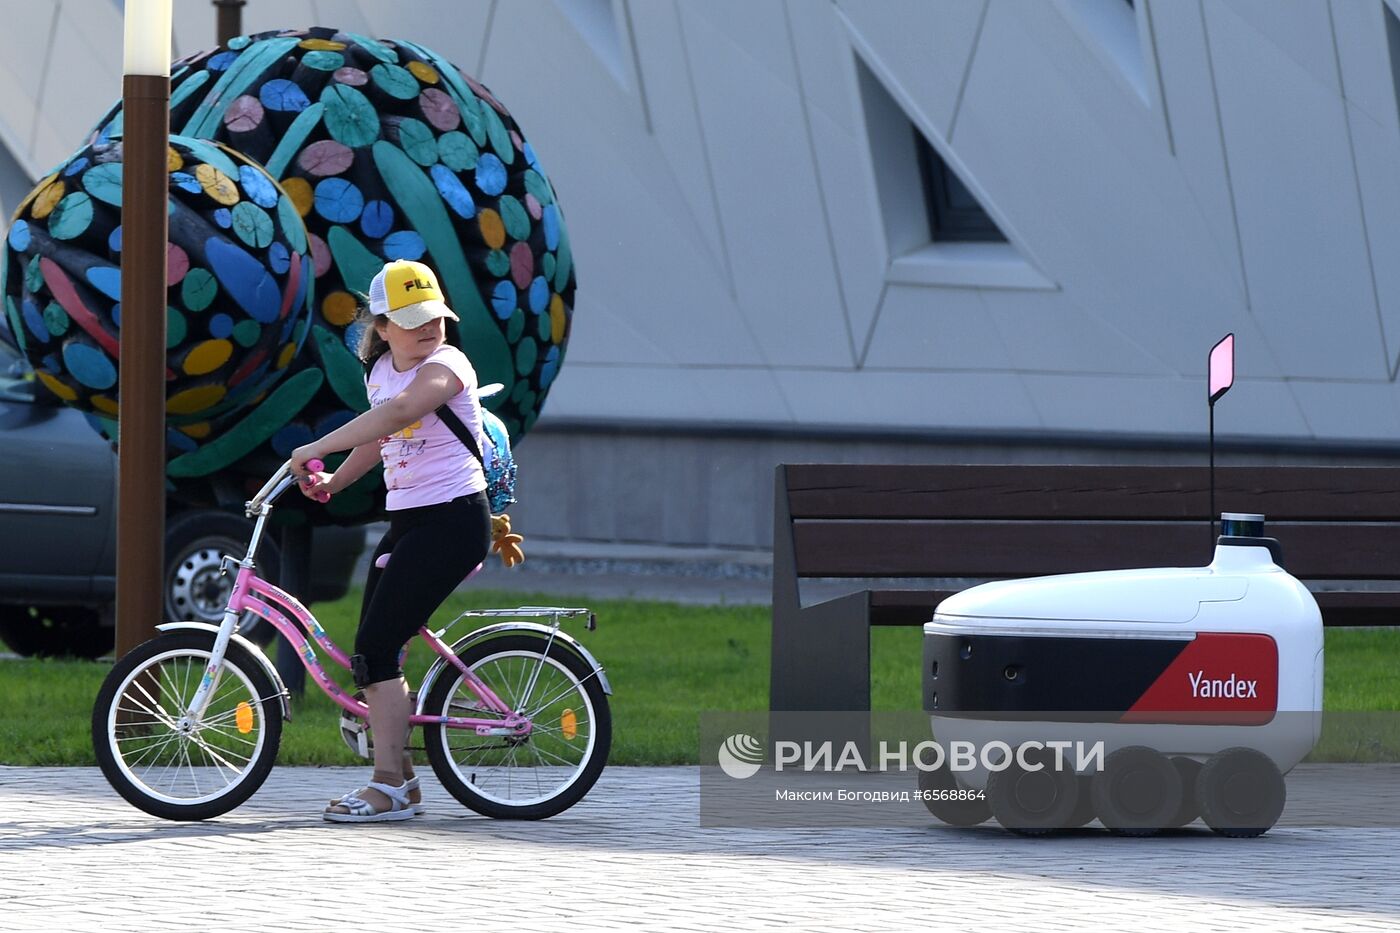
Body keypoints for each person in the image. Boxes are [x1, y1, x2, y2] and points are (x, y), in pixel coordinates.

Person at [290, 259, 492, 822]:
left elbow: (402, 412)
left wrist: (313, 447)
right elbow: (380, 437)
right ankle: (401, 778)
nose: (429, 328)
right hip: (410, 522)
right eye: (412, 320)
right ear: (381, 327)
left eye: (436, 316)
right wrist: (334, 479)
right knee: (371, 652)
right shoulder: (379, 374)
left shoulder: (448, 365)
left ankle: (387, 786)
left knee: (379, 648)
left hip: (453, 521)